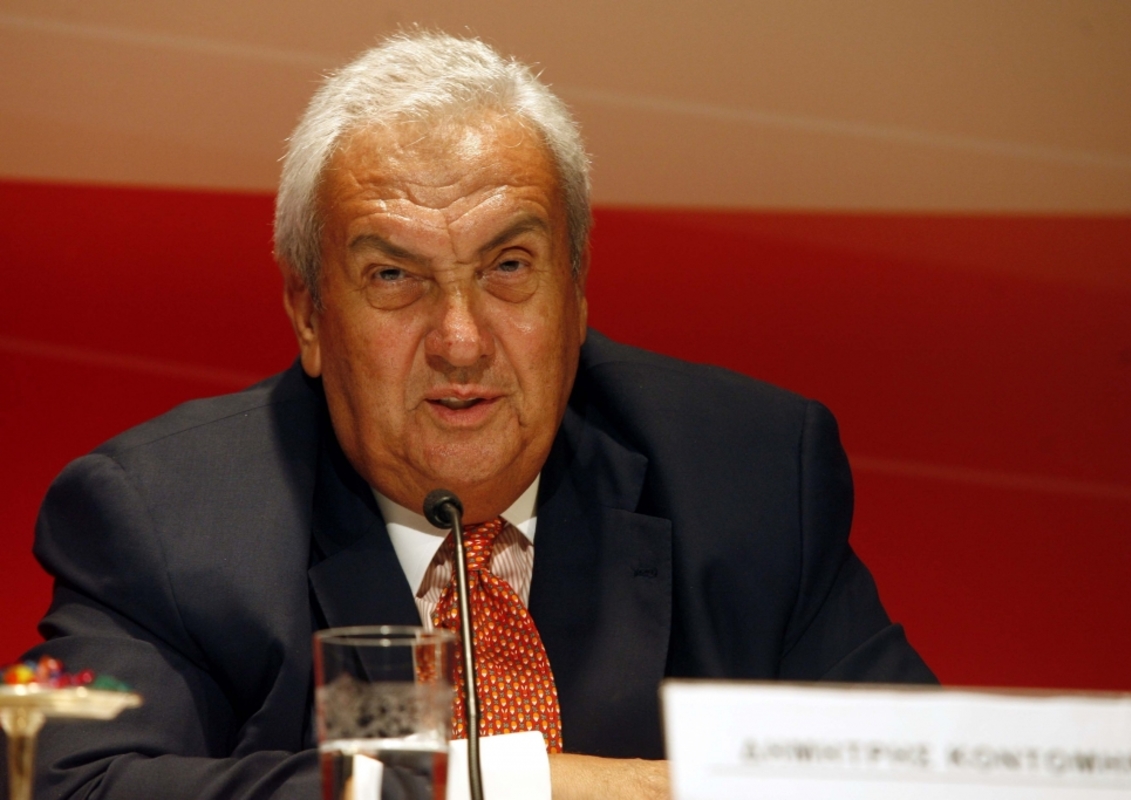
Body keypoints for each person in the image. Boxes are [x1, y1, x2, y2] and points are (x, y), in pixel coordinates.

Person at [16, 30, 935, 800]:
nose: (461, 341)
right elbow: (69, 785)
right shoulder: (165, 520)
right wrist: (515, 785)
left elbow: (914, 777)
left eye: (509, 268)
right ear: (309, 314)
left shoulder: (750, 475)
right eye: (393, 276)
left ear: (576, 293)